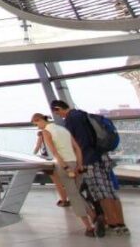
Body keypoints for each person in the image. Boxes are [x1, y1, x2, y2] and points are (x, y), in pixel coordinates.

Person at [51, 100, 129, 235]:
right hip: (102, 157)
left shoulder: (71, 119)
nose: (59, 116)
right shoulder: (83, 114)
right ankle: (122, 225)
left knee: (101, 193)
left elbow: (79, 144)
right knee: (111, 192)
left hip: (89, 160)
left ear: (58, 109)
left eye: (57, 112)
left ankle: (113, 224)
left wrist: (79, 164)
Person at [32, 113, 101, 236]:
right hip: (75, 162)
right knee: (77, 193)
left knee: (73, 196)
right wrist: (79, 165)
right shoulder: (63, 129)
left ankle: (89, 227)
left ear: (39, 120)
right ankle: (94, 216)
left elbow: (55, 152)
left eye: (36, 124)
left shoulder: (46, 132)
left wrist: (65, 167)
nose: (37, 127)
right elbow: (77, 149)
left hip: (64, 165)